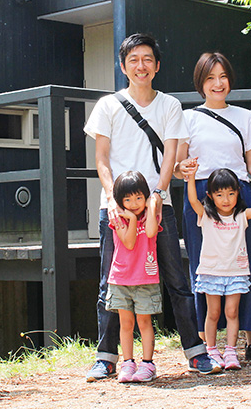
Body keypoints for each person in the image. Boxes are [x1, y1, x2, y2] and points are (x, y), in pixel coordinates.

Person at [84, 33, 220, 382]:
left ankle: (195, 351)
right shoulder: (108, 105)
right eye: (133, 59)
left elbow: (171, 155)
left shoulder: (170, 106)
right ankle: (107, 357)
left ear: (156, 66)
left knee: (176, 279)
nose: (140, 65)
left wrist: (159, 192)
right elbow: (101, 160)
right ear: (123, 65)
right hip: (115, 207)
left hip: (160, 204)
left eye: (147, 59)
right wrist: (114, 201)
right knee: (110, 282)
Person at [175, 51, 251, 364]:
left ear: (230, 80)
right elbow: (180, 164)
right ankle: (206, 347)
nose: (217, 83)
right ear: (200, 83)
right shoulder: (188, 117)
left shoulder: (245, 117)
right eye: (210, 78)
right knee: (203, 267)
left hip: (238, 195)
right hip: (202, 196)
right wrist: (186, 168)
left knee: (243, 265)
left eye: (222, 77)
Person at [185, 165, 251, 369]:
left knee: (232, 312)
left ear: (238, 193)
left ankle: (231, 351)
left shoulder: (241, 216)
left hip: (236, 273)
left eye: (231, 193)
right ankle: (211, 350)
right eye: (220, 194)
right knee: (213, 313)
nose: (226, 199)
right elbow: (192, 200)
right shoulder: (206, 215)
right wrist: (191, 178)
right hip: (211, 272)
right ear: (210, 196)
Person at [107, 171, 162, 382]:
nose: (133, 203)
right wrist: (130, 219)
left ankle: (147, 364)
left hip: (145, 278)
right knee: (126, 324)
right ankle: (128, 363)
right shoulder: (118, 220)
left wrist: (150, 206)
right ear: (120, 201)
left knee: (145, 322)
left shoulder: (152, 215)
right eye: (127, 199)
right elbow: (129, 242)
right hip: (121, 278)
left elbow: (150, 233)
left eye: (139, 197)